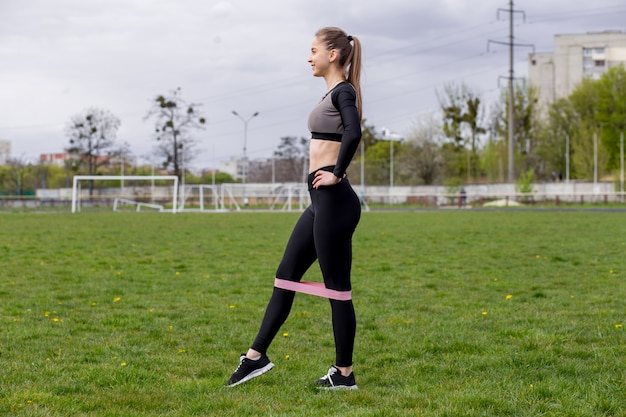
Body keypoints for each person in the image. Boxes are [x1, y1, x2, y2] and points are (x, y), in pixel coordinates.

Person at [226, 26, 363, 390]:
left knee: (337, 289)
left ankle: (344, 375)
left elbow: (354, 132)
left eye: (314, 50)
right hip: (320, 203)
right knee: (285, 275)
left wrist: (336, 173)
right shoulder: (333, 93)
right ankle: (256, 358)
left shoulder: (344, 91)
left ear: (332, 54)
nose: (309, 57)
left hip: (334, 200)